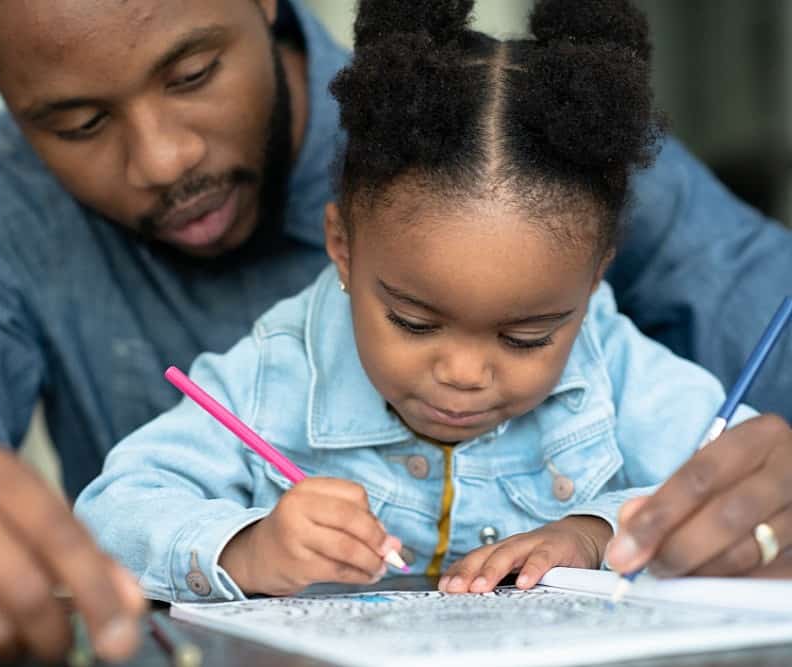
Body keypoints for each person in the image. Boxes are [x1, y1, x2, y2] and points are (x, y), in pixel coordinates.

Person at [0, 0, 789, 662]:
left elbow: (754, 346)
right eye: (77, 122)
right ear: (341, 249)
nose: (161, 156)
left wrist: (662, 517)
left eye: (190, 73)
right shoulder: (247, 358)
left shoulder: (527, 147)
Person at [73, 0, 760, 601]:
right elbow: (108, 515)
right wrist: (246, 546)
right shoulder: (273, 372)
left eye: (526, 338)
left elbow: (732, 476)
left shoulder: (611, 360)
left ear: (592, 280)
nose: (464, 372)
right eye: (413, 320)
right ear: (341, 245)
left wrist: (594, 533)